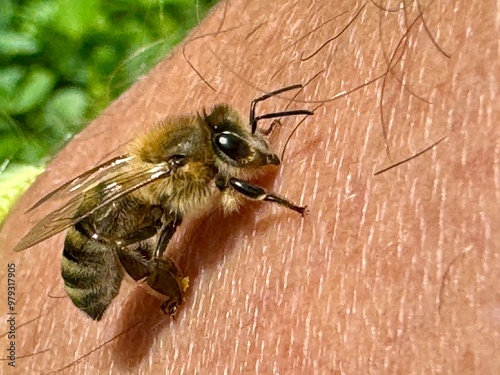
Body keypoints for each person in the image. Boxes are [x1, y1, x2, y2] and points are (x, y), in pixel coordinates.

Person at [1, 0, 498, 373]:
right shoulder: (178, 168)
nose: (252, 154)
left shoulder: (192, 154)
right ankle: (166, 289)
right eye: (238, 149)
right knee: (139, 240)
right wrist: (279, 201)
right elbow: (220, 189)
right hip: (93, 245)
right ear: (198, 160)